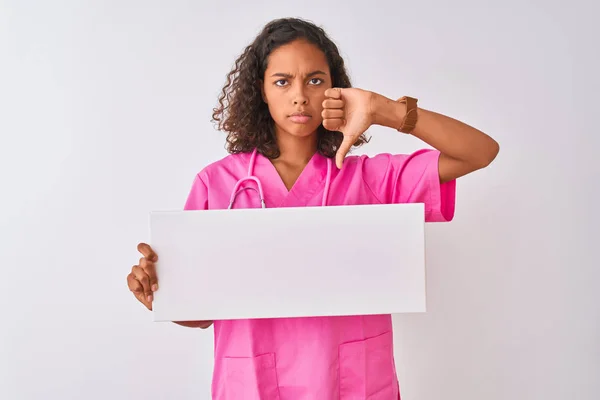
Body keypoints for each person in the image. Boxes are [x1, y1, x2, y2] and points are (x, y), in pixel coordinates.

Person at [126, 17, 499, 400]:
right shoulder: (218, 184)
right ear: (262, 91)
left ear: (336, 91)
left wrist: (383, 109)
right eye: (283, 81)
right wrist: (160, 292)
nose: (300, 95)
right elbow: (200, 313)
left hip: (352, 385)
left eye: (316, 80)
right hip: (251, 385)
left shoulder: (370, 179)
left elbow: (480, 152)